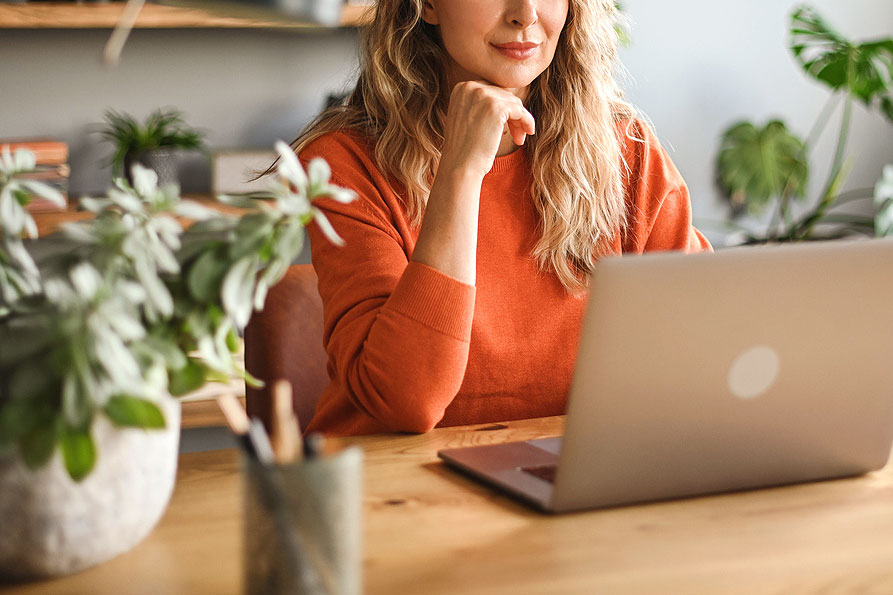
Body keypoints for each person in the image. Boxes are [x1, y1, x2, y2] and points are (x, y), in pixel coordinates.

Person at [291, 0, 711, 436]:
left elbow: (712, 344)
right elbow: (407, 401)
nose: (525, 14)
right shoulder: (342, 165)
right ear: (428, 5)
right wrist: (461, 172)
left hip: (567, 479)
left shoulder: (627, 155)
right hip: (389, 488)